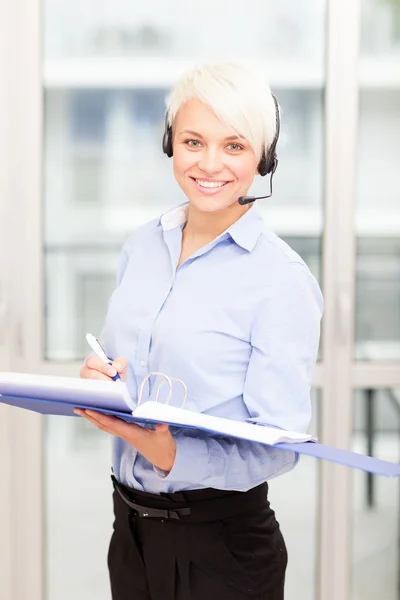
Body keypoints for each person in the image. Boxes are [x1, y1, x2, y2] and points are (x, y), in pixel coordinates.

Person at [76, 60, 324, 600]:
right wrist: (101, 382)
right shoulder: (141, 246)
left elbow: (281, 445)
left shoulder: (281, 280)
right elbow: (124, 368)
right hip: (131, 533)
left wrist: (170, 455)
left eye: (234, 146)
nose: (210, 163)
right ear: (171, 144)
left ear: (263, 156)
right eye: (193, 141)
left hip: (223, 549)